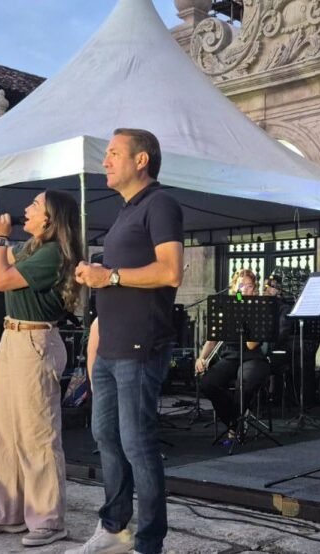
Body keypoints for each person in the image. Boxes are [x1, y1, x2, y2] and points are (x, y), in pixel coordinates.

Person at [68, 128, 183, 554]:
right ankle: (114, 528)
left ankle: (149, 543)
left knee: (137, 444)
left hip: (140, 345)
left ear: (141, 160)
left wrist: (109, 276)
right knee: (106, 437)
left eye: (114, 153)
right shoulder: (126, 211)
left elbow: (171, 272)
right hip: (111, 346)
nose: (105, 161)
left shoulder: (160, 204)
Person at [0, 190, 83, 547]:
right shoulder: (33, 248)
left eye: (35, 205)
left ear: (50, 218)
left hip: (35, 341)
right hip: (13, 338)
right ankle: (9, 513)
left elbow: (1, 279)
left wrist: (1, 238)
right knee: (5, 431)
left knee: (36, 434)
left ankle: (48, 520)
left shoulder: (54, 253)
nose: (26, 209)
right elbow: (3, 255)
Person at [196, 269, 272, 441]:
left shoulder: (260, 309)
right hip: (230, 356)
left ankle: (234, 426)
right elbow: (212, 339)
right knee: (208, 383)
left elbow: (251, 344)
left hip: (252, 356)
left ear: (254, 289)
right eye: (241, 285)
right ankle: (235, 419)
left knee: (244, 382)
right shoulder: (226, 308)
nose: (245, 289)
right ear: (234, 287)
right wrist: (202, 357)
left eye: (249, 286)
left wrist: (245, 315)